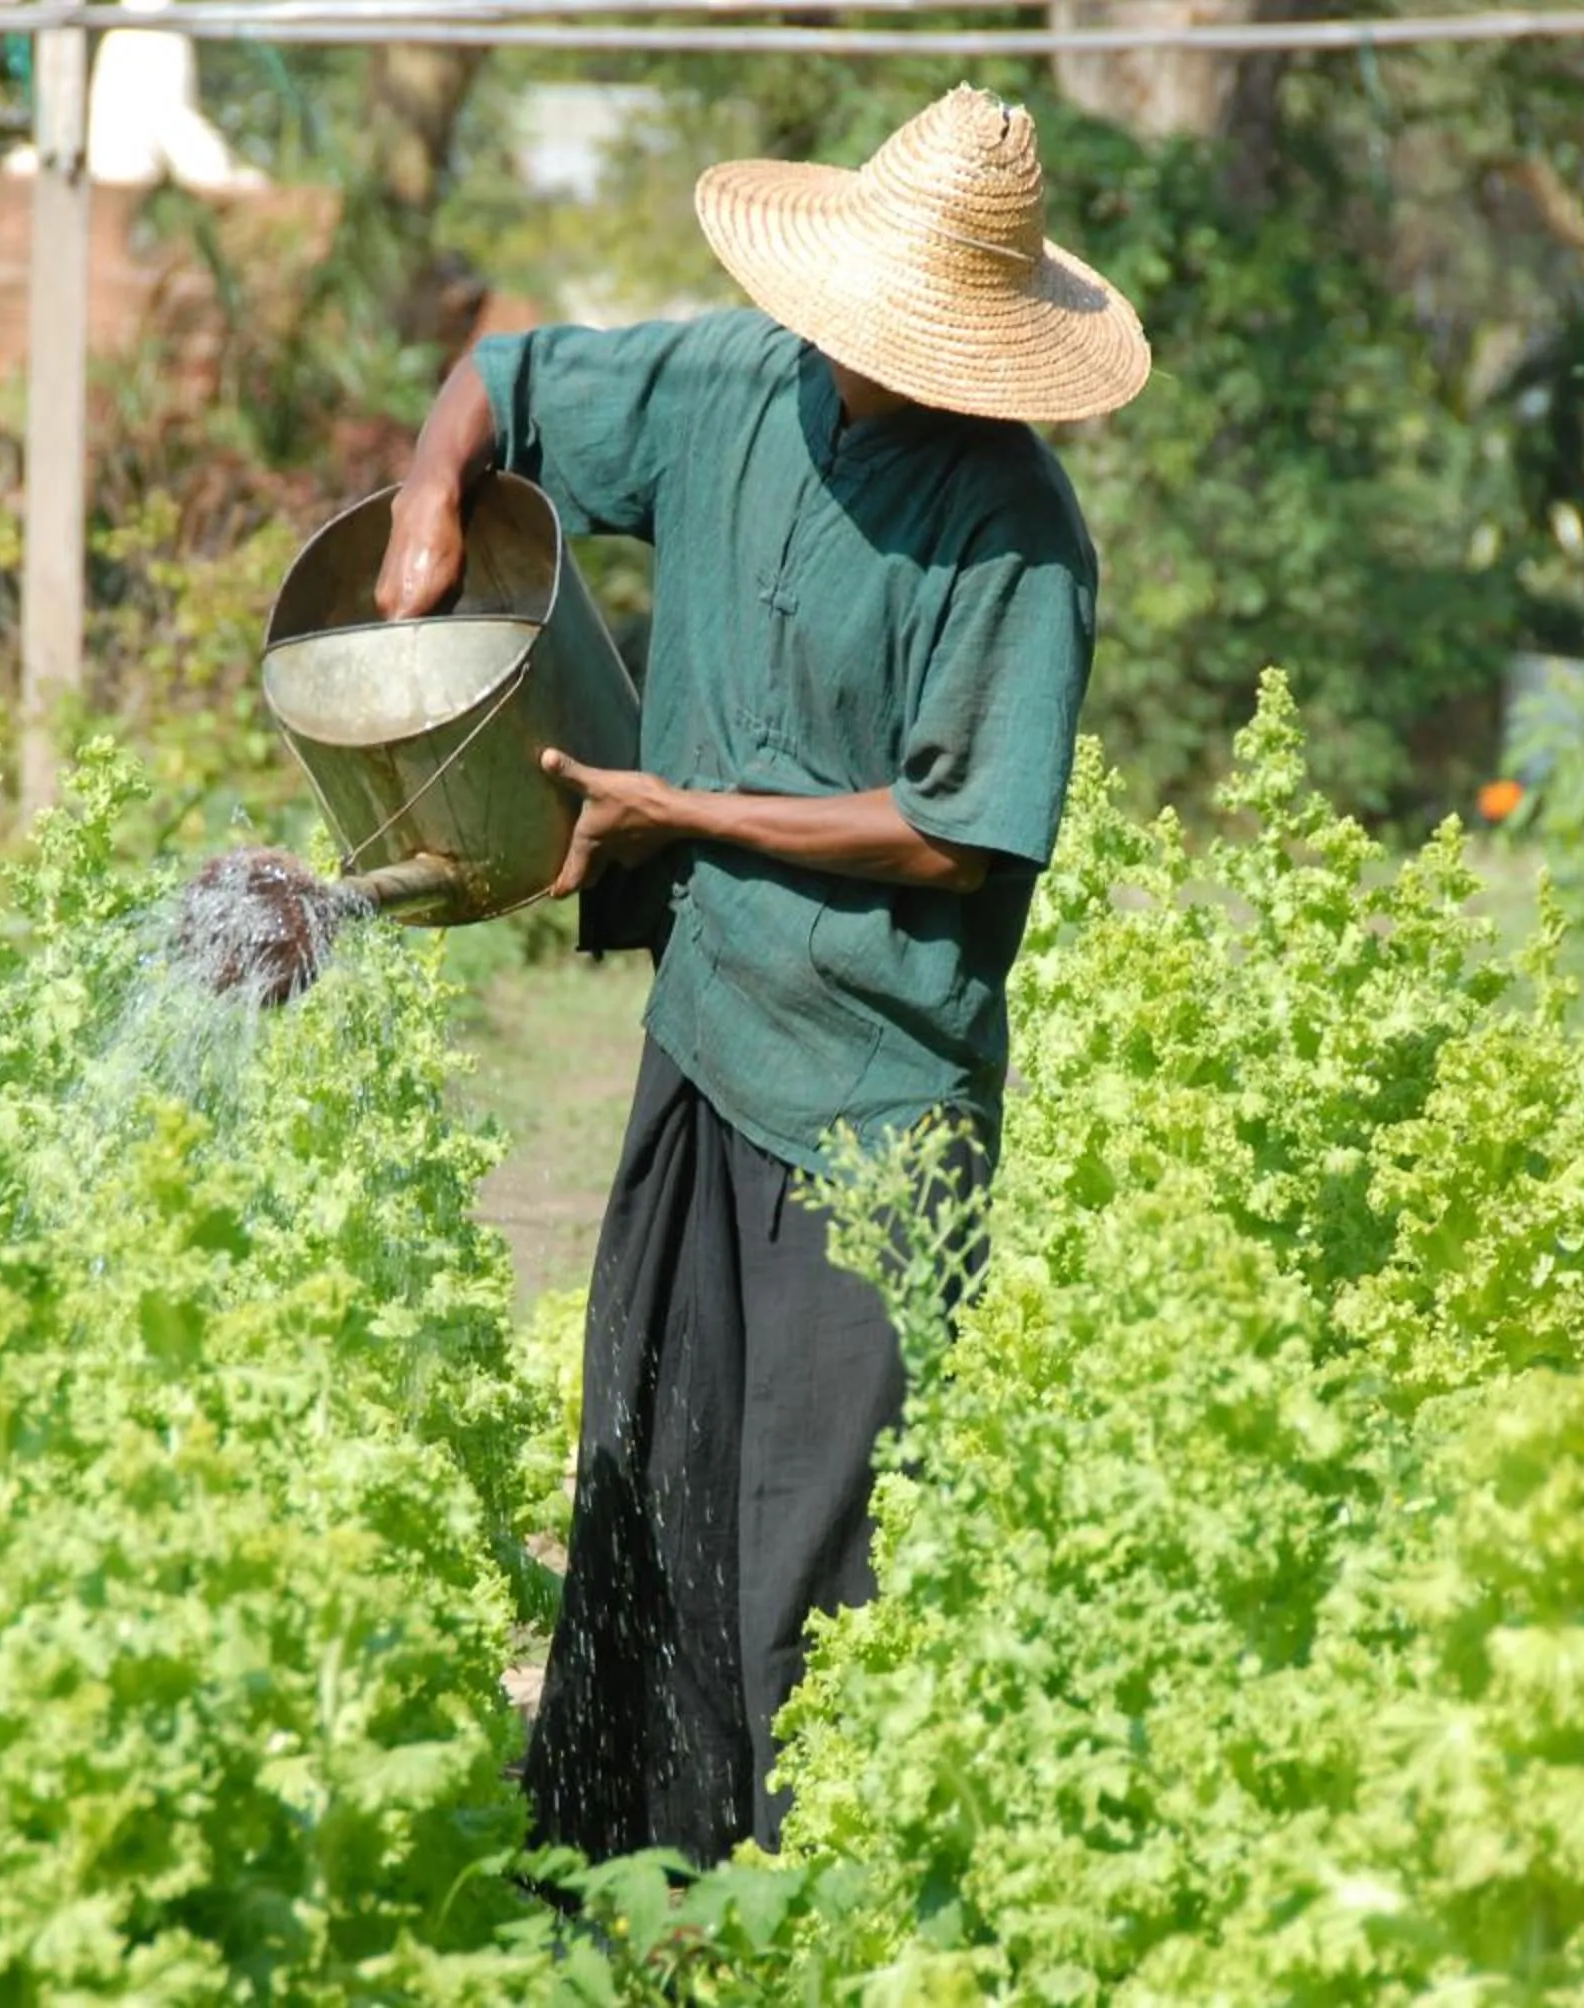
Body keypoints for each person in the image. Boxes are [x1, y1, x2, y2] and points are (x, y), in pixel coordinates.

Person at [373, 83, 1149, 1869]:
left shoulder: (1015, 534)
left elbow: (955, 836)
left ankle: (816, 1914)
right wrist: (428, 495)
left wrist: (682, 810)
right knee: (650, 1479)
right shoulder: (736, 383)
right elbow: (507, 376)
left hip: (876, 1094)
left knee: (815, 1544)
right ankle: (629, 1895)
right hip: (709, 1025)